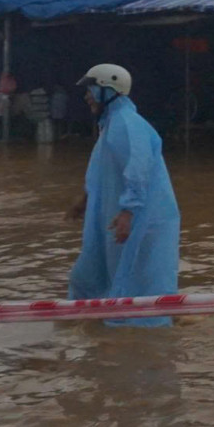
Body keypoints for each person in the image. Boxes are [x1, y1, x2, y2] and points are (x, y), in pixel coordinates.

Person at [65, 63, 181, 327]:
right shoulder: (111, 125)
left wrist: (128, 211)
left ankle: (146, 330)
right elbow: (104, 174)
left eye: (90, 90)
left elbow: (138, 170)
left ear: (107, 90)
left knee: (143, 279)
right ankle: (96, 325)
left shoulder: (127, 124)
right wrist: (85, 200)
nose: (87, 96)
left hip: (142, 218)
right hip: (119, 216)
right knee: (89, 277)